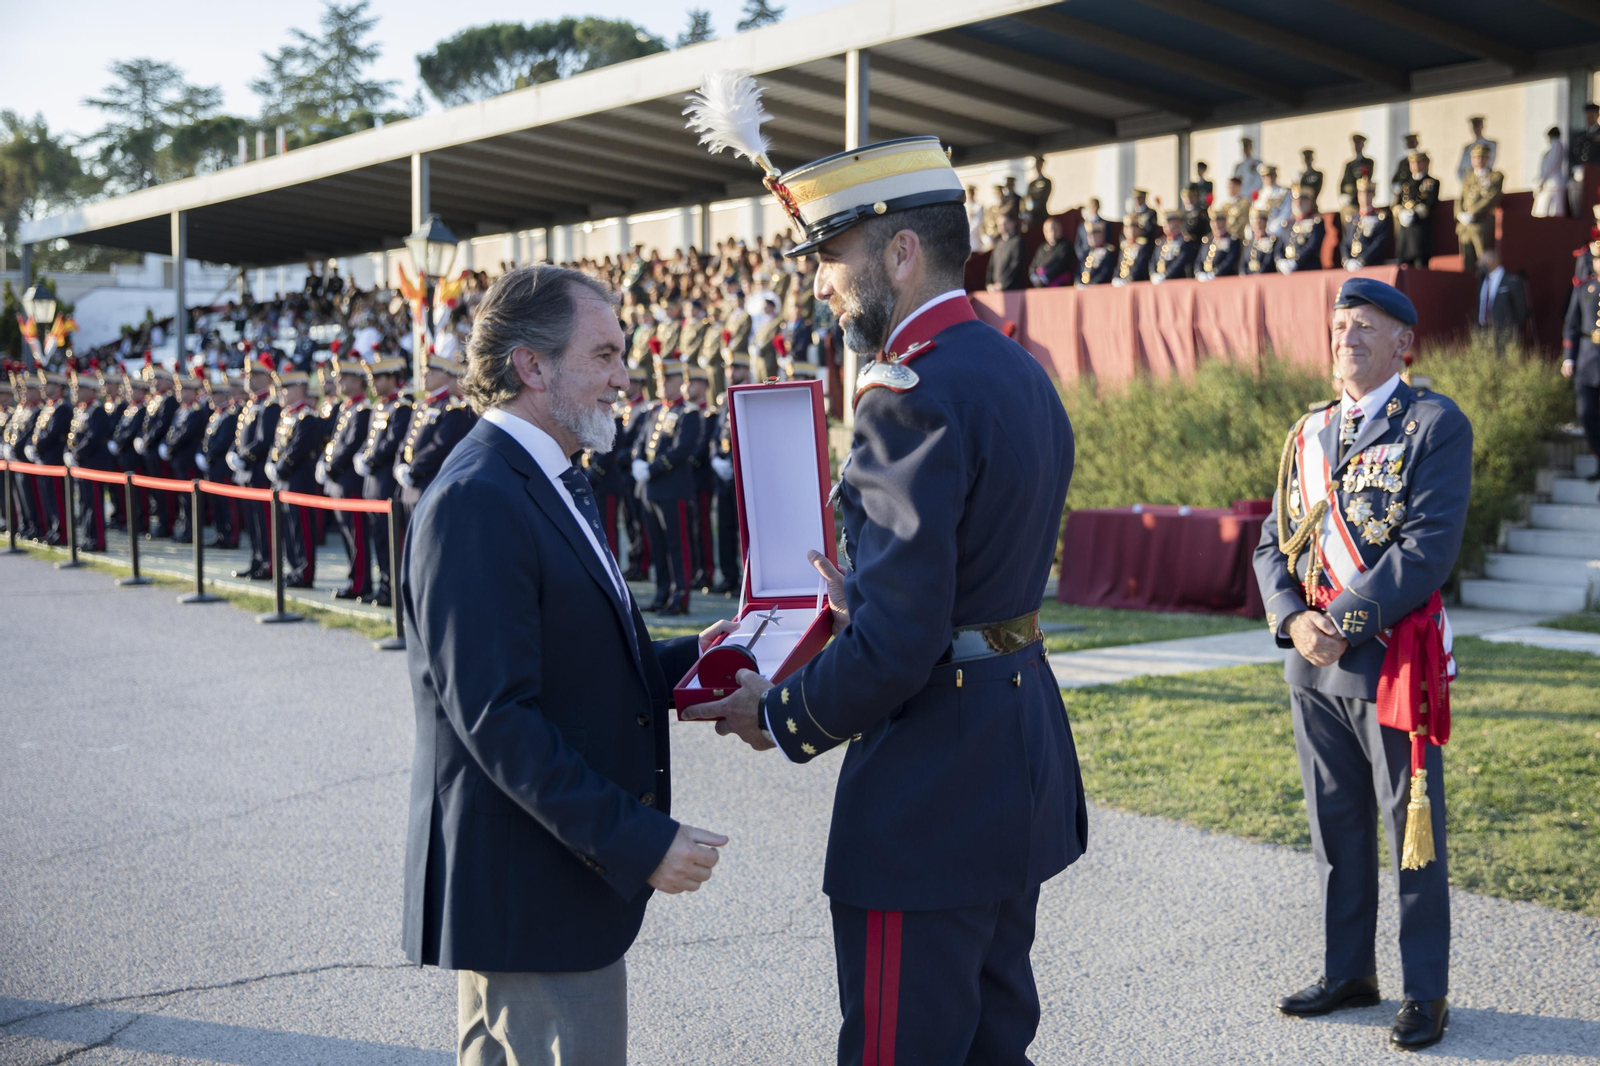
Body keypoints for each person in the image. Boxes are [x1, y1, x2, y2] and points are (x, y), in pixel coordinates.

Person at [683, 130, 1083, 1066]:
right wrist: (864, 599)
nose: (820, 283)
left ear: (901, 253)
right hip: (1011, 746)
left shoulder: (907, 393)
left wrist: (778, 713)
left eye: (832, 256)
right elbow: (971, 581)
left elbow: (904, 641)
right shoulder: (1016, 370)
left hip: (932, 788)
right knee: (993, 1045)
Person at [401, 263, 729, 1066]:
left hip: (548, 884)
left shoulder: (548, 477)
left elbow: (580, 663)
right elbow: (498, 720)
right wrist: (637, 840)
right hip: (530, 893)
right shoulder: (480, 497)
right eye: (605, 355)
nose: (625, 378)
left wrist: (705, 660)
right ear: (533, 366)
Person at [1254, 276, 1469, 1053]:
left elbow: (1426, 549)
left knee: (1413, 834)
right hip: (1313, 667)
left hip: (1391, 664)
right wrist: (1293, 621)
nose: (1346, 336)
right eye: (1340, 324)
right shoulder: (1307, 431)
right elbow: (1271, 541)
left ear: (1403, 343)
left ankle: (1425, 990)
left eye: (1366, 326)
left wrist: (1339, 626)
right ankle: (1349, 972)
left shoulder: (1434, 424)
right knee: (1334, 828)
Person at [631, 353, 702, 615]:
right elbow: (640, 441)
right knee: (658, 546)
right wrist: (637, 461)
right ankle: (662, 594)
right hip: (649, 489)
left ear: (680, 381)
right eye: (660, 379)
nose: (662, 384)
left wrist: (651, 469)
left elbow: (681, 450)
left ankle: (680, 597)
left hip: (673, 489)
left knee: (677, 546)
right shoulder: (655, 410)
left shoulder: (688, 413)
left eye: (667, 379)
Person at [354, 356, 412, 607]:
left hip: (387, 483)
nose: (373, 383)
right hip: (372, 484)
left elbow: (392, 442)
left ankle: (395, 590)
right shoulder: (379, 407)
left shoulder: (401, 407)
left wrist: (371, 459)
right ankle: (384, 587)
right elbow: (370, 441)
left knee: (392, 541)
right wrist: (362, 456)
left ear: (391, 378)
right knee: (378, 540)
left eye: (378, 378)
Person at [265, 355, 327, 588]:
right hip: (283, 482)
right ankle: (294, 568)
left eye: (286, 388)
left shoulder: (306, 417)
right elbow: (277, 446)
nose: (281, 393)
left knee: (302, 529)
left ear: (299, 389)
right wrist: (271, 463)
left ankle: (304, 572)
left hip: (299, 482)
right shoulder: (286, 416)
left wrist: (279, 468)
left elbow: (297, 449)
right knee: (288, 530)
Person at [396, 353, 475, 537]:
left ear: (445, 376)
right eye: (424, 371)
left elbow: (440, 446)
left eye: (430, 371)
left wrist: (413, 469)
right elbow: (407, 440)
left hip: (429, 483)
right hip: (410, 486)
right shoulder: (420, 406)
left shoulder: (451, 408)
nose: (424, 375)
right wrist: (399, 464)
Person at [318, 354, 372, 599]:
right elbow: (334, 442)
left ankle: (360, 583)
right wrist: (324, 461)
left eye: (344, 377)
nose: (338, 381)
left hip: (350, 482)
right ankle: (354, 580)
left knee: (356, 537)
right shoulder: (346, 408)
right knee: (347, 536)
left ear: (358, 381)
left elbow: (351, 446)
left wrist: (330, 467)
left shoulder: (362, 410)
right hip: (339, 482)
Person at [226, 350, 281, 580]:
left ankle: (269, 564)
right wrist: (233, 453)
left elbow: (263, 440)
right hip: (247, 472)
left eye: (255, 374)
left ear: (267, 377)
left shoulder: (270, 404)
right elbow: (240, 436)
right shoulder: (251, 404)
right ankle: (257, 560)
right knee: (252, 521)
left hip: (259, 473)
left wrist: (244, 457)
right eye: (248, 374)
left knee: (264, 522)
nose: (249, 378)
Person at [709, 353, 750, 595]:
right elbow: (716, 435)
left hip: (741, 474)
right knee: (724, 528)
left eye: (736, 367)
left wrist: (734, 465)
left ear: (746, 370)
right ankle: (728, 576)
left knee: (743, 531)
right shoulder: (725, 398)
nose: (731, 372)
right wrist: (715, 457)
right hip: (724, 472)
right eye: (729, 367)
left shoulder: (749, 395)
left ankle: (747, 581)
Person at [1562, 239, 1600, 481]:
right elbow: (1572, 324)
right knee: (1586, 413)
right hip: (1588, 358)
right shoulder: (1584, 288)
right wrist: (1569, 358)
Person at [66, 365, 113, 551]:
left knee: (94, 504)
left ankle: (97, 540)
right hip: (82, 464)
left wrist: (77, 454)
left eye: (79, 388)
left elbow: (93, 437)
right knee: (84, 503)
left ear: (91, 390)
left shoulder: (97, 410)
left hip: (93, 464)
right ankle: (88, 537)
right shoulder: (81, 411)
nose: (76, 391)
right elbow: (73, 436)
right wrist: (69, 452)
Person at [161, 363, 209, 543]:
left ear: (193, 391)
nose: (180, 393)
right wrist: (167, 443)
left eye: (184, 389)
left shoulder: (196, 411)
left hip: (189, 461)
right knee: (183, 500)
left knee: (191, 501)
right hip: (179, 461)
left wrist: (170, 445)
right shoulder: (181, 410)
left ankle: (192, 533)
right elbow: (172, 431)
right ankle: (186, 529)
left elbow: (186, 433)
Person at [198, 372, 242, 550]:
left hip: (223, 467)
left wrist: (208, 456)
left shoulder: (230, 415)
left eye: (215, 394)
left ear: (224, 395)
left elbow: (224, 442)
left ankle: (231, 536)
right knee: (216, 504)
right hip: (213, 467)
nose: (212, 398)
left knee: (227, 504)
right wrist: (202, 454)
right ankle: (221, 534)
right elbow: (206, 439)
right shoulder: (216, 415)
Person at [29, 368, 71, 544]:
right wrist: (34, 446)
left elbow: (53, 433)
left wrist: (38, 446)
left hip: (54, 460)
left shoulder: (62, 408)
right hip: (44, 459)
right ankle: (52, 529)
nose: (43, 387)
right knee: (47, 498)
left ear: (58, 386)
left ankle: (62, 533)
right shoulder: (49, 407)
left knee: (57, 499)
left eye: (47, 384)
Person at [1455, 144, 1503, 275]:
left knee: (1484, 262)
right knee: (1467, 264)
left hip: (1481, 224)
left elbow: (1491, 198)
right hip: (1465, 227)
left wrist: (1472, 213)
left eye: (1482, 157)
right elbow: (1460, 199)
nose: (1478, 160)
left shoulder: (1495, 176)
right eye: (1475, 157)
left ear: (1488, 159)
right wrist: (1459, 214)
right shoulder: (1468, 177)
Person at [1472, 249, 1529, 353]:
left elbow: (1521, 308)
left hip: (1504, 333)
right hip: (1483, 332)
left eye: (1481, 262)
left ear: (1489, 261)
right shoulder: (1481, 282)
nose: (1478, 265)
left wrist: (1510, 328)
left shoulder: (1512, 281)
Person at [1394, 152, 1440, 268]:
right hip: (1405, 230)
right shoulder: (1405, 183)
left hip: (1420, 229)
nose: (1415, 165)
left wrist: (1413, 213)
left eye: (1418, 162)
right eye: (1413, 162)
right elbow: (1396, 203)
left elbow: (1430, 203)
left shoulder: (1431, 182)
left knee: (1420, 263)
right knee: (1404, 263)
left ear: (1425, 163)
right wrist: (1400, 213)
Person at [1340, 178, 1392, 271]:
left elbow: (1379, 244)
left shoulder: (1381, 218)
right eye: (1361, 193)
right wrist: (1347, 260)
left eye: (1368, 193)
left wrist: (1362, 260)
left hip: (1371, 265)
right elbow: (1345, 243)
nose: (1364, 196)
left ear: (1373, 194)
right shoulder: (1351, 219)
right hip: (1352, 265)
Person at [1275, 188, 1325, 275]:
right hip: (1287, 272)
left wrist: (1296, 261)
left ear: (1310, 202)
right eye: (1295, 200)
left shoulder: (1316, 222)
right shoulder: (1288, 225)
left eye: (1302, 200)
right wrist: (1280, 261)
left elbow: (1312, 245)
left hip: (1308, 270)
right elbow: (1279, 246)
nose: (1298, 203)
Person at [1568, 102, 1600, 215]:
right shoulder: (1580, 135)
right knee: (1573, 187)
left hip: (1596, 174)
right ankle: (1577, 217)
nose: (1589, 118)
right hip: (1579, 174)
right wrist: (1575, 167)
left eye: (1592, 115)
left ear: (1597, 115)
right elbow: (1572, 154)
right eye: (1587, 115)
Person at [1150, 210, 1198, 283]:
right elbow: (1153, 260)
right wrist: (1152, 273)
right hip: (1160, 281)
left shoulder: (1184, 241)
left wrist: (1166, 275)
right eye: (1164, 223)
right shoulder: (1161, 241)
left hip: (1177, 281)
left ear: (1177, 222)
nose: (1165, 225)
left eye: (1168, 222)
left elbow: (1180, 261)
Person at [1194, 208, 1241, 281]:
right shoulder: (1207, 240)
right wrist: (1198, 272)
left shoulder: (1232, 239)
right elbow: (1199, 259)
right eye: (1212, 221)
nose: (1215, 224)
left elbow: (1230, 259)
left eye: (1218, 221)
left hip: (1224, 279)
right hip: (1205, 279)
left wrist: (1216, 273)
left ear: (1225, 221)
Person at [1533, 126, 1568, 218]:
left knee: (1553, 212)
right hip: (1549, 184)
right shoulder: (1554, 147)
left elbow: (1551, 164)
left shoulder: (1556, 145)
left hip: (1552, 184)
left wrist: (1541, 180)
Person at [1028, 216, 1074, 287]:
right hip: (1040, 285)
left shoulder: (1065, 245)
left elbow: (1060, 265)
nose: (1051, 233)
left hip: (1058, 285)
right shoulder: (1042, 247)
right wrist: (1034, 277)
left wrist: (1044, 278)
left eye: (1053, 229)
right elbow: (1033, 265)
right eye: (1047, 231)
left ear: (1060, 229)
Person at [1338, 134, 1373, 226]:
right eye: (1355, 145)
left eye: (1359, 144)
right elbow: (1344, 181)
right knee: (1346, 214)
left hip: (1362, 199)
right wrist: (1343, 194)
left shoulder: (1368, 162)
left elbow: (1365, 180)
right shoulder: (1349, 165)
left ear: (1363, 145)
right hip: (1351, 200)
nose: (1357, 147)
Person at [986, 213, 1028, 291]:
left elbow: (1016, 265)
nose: (1001, 226)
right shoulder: (998, 243)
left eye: (1004, 223)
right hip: (996, 290)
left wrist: (1003, 284)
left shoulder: (1017, 242)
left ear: (1012, 223)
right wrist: (989, 284)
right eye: (999, 224)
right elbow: (991, 265)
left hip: (1012, 289)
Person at [1113, 212, 1154, 285]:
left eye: (1134, 226)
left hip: (1138, 284)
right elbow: (1119, 266)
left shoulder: (1143, 246)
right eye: (1127, 227)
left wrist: (1129, 279)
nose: (1130, 229)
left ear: (1140, 229)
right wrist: (1115, 278)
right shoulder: (1124, 246)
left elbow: (1139, 266)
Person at [1455, 115, 1496, 182]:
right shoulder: (1467, 147)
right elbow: (1460, 169)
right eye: (1474, 126)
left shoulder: (1491, 144)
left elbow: (1489, 163)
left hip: (1485, 179)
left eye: (1478, 126)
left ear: (1482, 126)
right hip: (1470, 180)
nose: (1476, 129)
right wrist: (1466, 182)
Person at [1257, 164, 1292, 240]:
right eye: (1265, 176)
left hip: (1279, 231)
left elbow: (1286, 213)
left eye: (1271, 175)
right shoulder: (1261, 194)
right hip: (1263, 233)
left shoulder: (1284, 192)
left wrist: (1274, 228)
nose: (1268, 178)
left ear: (1275, 176)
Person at [1077, 221, 1115, 286]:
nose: (1091, 237)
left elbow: (1104, 272)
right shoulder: (1086, 253)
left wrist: (1091, 284)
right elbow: (1079, 271)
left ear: (1101, 235)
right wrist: (1078, 283)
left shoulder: (1107, 252)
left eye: (1094, 235)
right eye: (1089, 235)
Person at [1242, 207, 1278, 276]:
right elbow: (1243, 262)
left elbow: (1268, 261)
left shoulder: (1271, 240)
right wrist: (1244, 274)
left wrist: (1259, 273)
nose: (1256, 222)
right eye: (1253, 219)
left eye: (1259, 219)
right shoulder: (1248, 242)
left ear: (1265, 222)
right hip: (1249, 277)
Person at [1022, 156, 1052, 231]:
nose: (1037, 167)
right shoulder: (1031, 183)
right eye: (1036, 165)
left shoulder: (1047, 181)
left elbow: (1044, 197)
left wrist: (1034, 208)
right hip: (1032, 216)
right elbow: (1027, 198)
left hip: (1041, 214)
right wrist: (1027, 211)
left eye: (1039, 165)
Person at [1222, 175, 1251, 239]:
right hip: (1225, 236)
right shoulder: (1226, 205)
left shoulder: (1244, 203)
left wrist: (1232, 232)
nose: (1230, 189)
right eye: (1229, 186)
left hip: (1238, 236)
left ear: (1239, 187)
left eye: (1233, 187)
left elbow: (1243, 220)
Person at [965, 184, 987, 252]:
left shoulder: (978, 207)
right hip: (965, 241)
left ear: (974, 194)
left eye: (971, 193)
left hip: (974, 241)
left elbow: (976, 224)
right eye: (968, 193)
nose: (969, 195)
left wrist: (967, 234)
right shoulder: (965, 206)